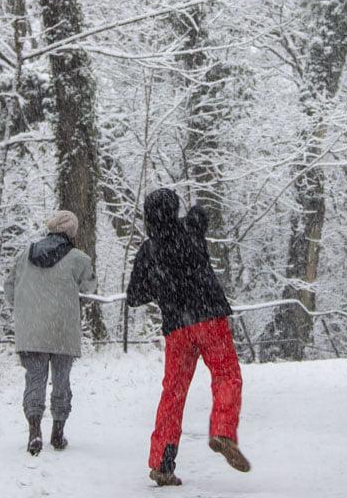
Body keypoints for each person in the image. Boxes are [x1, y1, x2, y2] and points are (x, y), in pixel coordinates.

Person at [126, 188, 250, 487]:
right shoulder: (191, 229)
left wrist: (160, 285)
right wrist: (194, 211)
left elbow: (134, 297)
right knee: (225, 374)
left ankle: (161, 464)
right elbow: (202, 214)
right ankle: (222, 429)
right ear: (175, 209)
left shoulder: (148, 250)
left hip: (177, 328)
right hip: (208, 316)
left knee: (173, 393)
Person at [8, 210, 94, 456]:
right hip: (62, 329)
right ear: (71, 232)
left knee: (34, 378)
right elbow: (89, 286)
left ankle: (34, 430)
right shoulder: (79, 258)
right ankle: (58, 431)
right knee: (61, 380)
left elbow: (9, 288)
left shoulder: (25, 254)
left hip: (31, 330)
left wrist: (27, 310)